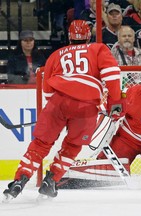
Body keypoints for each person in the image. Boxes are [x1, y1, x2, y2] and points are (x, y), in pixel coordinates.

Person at [3, 20, 121, 200]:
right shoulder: (98, 49)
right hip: (86, 106)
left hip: (58, 102)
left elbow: (47, 89)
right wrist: (115, 102)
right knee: (73, 146)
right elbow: (111, 75)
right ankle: (52, 179)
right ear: (88, 36)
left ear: (69, 36)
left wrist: (59, 108)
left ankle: (19, 180)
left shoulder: (56, 54)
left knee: (41, 144)